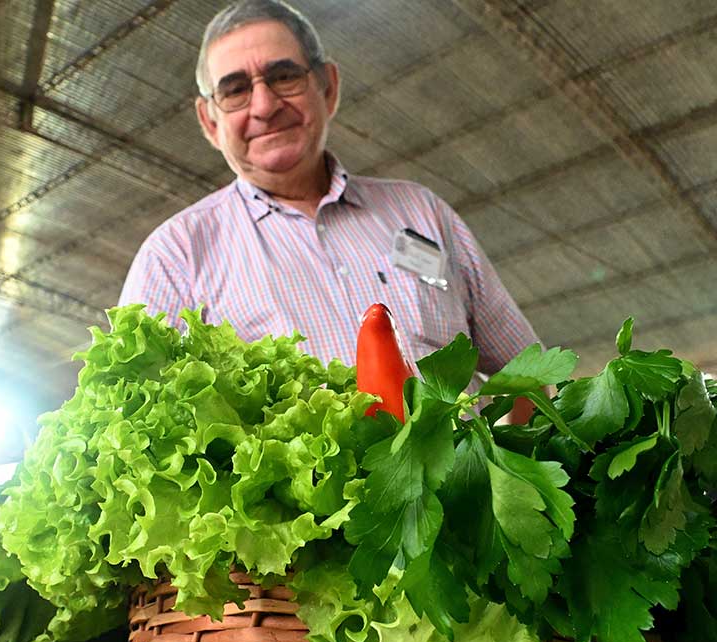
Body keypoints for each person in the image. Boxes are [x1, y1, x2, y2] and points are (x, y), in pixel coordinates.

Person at [119, 0, 539, 420]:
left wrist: (505, 470)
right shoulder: (174, 257)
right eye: (235, 90)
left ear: (328, 86)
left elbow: (527, 372)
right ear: (210, 121)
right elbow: (138, 426)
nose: (264, 106)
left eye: (283, 77)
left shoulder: (421, 211)